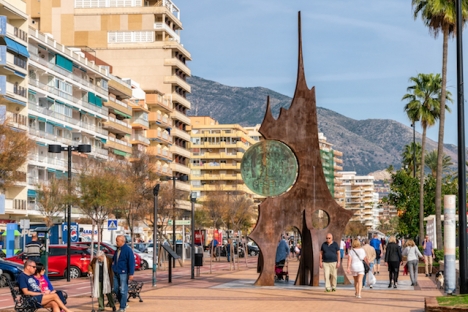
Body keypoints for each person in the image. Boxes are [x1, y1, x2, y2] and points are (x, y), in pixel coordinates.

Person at [112, 235, 135, 312]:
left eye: (117, 241)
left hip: (123, 273)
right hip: (116, 272)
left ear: (122, 241)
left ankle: (122, 307)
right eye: (116, 240)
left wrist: (131, 273)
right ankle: (124, 303)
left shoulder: (128, 250)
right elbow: (114, 260)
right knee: (115, 289)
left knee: (123, 290)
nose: (116, 242)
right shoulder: (117, 250)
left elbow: (131, 262)